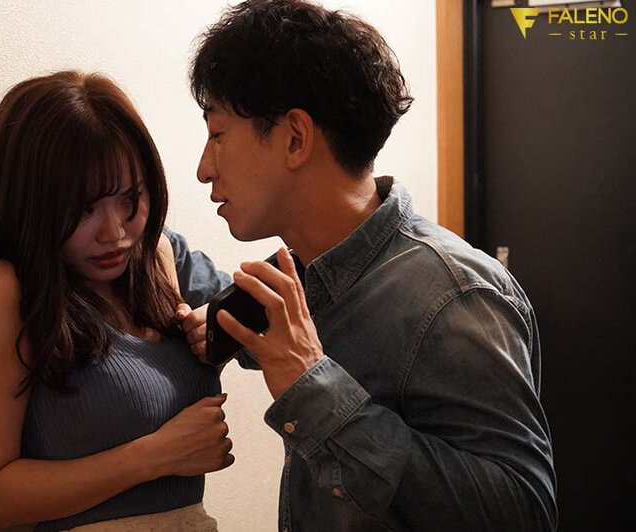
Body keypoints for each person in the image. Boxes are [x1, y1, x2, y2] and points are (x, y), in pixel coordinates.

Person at [176, 1, 558, 530]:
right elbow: (240, 307)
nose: (203, 169)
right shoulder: (311, 274)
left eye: (217, 135)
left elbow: (524, 512)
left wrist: (312, 386)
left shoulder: (453, 294)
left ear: (294, 138)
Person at [0, 71, 234, 531]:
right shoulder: (9, 289)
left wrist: (221, 328)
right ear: (33, 204)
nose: (114, 232)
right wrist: (154, 456)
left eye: (129, 198)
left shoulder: (158, 254)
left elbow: (293, 311)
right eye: (83, 209)